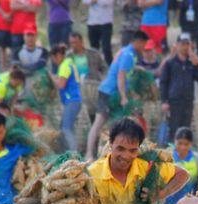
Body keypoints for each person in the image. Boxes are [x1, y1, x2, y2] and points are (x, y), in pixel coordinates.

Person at [85, 30, 149, 161]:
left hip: (109, 91)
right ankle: (89, 154)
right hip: (109, 93)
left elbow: (122, 68)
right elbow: (121, 75)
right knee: (98, 124)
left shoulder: (126, 51)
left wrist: (137, 68)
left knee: (108, 124)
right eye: (144, 44)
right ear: (138, 42)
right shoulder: (129, 55)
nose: (144, 48)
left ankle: (100, 154)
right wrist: (124, 96)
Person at [160, 33, 198, 140]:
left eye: (187, 44)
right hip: (174, 101)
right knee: (173, 130)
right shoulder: (170, 63)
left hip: (188, 100)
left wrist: (196, 62)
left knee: (185, 129)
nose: (185, 47)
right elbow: (164, 82)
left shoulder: (191, 63)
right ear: (177, 45)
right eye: (183, 44)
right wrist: (164, 101)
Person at [164, 127, 198, 204]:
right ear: (175, 141)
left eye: (186, 144)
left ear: (191, 144)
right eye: (180, 143)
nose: (182, 147)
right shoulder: (167, 158)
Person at [49, 44, 83, 151]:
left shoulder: (64, 66)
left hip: (72, 100)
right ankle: (66, 151)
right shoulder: (70, 63)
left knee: (66, 128)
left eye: (53, 59)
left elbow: (61, 85)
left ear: (58, 55)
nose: (54, 62)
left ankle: (73, 154)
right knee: (66, 127)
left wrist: (51, 77)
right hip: (75, 100)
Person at [86, 0, 115, 64]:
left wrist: (96, 1)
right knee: (93, 49)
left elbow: (108, 2)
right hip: (92, 22)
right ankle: (95, 68)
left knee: (106, 48)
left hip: (106, 22)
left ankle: (110, 67)